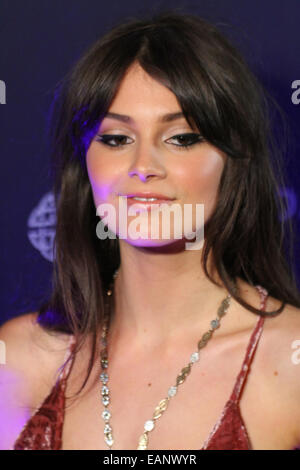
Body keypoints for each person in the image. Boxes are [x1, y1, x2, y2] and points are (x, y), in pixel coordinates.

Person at [1, 10, 300, 451]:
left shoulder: (289, 362)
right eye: (117, 138)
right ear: (84, 162)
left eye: (181, 138)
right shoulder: (18, 360)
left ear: (234, 159)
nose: (143, 167)